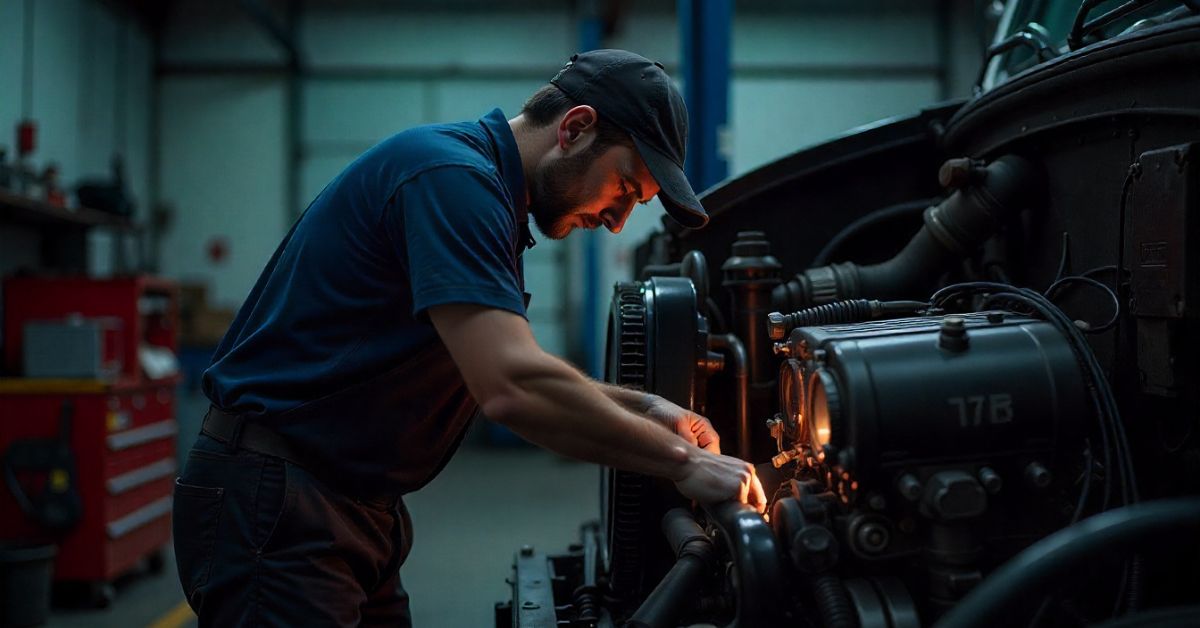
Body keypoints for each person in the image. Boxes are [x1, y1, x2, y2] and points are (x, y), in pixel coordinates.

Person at [172, 49, 766, 626]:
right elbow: (511, 386)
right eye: (625, 188)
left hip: (349, 509)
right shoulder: (451, 179)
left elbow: (510, 364)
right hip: (278, 506)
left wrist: (650, 409)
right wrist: (682, 461)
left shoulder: (485, 193)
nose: (617, 220)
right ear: (576, 128)